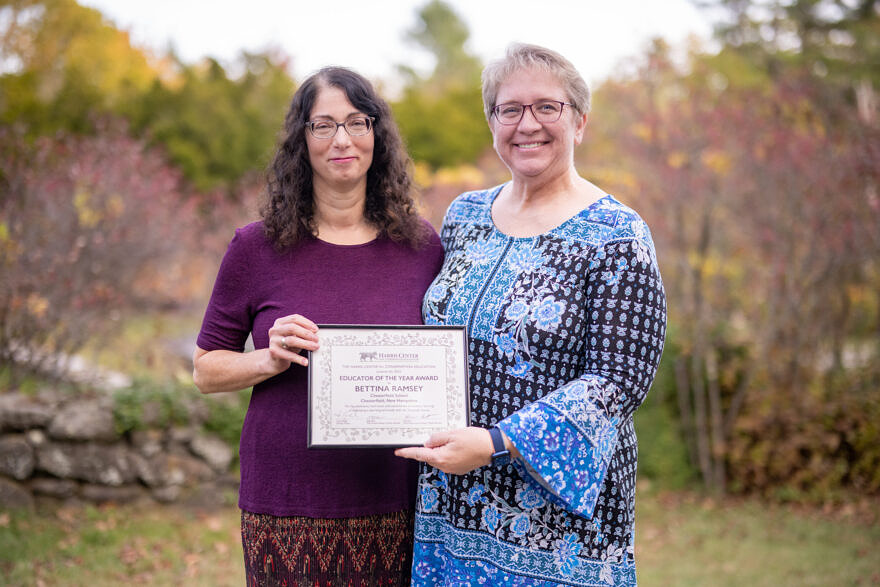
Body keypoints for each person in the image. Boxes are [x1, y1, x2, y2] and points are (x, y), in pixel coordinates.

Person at [395, 44, 667, 585]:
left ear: (580, 121)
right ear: (492, 122)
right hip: (450, 507)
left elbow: (618, 381)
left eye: (548, 107)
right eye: (510, 109)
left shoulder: (618, 235)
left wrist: (497, 442)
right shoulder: (464, 217)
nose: (529, 125)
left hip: (557, 530)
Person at [193, 66, 444, 586]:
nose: (342, 140)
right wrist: (267, 357)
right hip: (287, 500)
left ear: (377, 134)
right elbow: (206, 370)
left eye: (357, 121)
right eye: (323, 125)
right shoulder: (255, 248)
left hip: (396, 499)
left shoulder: (421, 246)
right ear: (301, 141)